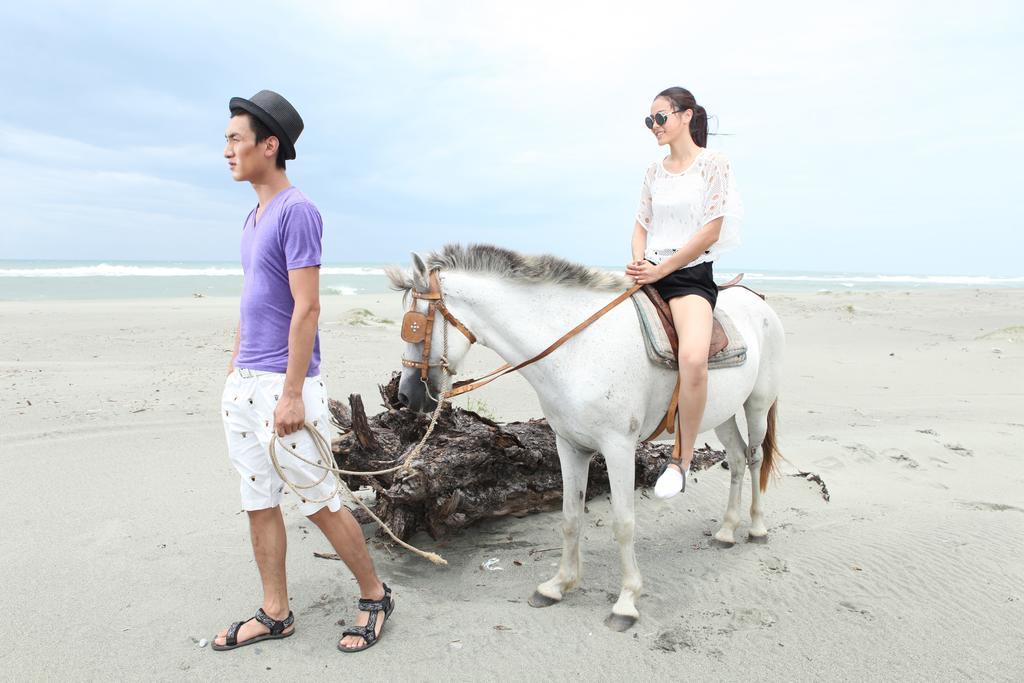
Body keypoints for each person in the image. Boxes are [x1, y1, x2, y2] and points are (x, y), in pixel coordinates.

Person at [213, 90, 393, 653]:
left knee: (319, 501)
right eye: (226, 140)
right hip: (246, 383)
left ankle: (375, 594)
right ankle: (275, 611)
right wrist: (236, 359)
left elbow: (307, 306)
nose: (227, 150)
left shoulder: (298, 211)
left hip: (285, 387)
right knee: (258, 500)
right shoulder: (254, 214)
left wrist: (291, 393)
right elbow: (255, 296)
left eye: (235, 139)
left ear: (270, 145)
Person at [625, 87, 743, 500]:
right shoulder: (654, 171)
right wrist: (641, 264)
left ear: (685, 116)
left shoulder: (714, 164)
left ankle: (682, 459)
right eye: (649, 121)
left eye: (660, 118)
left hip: (689, 276)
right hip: (650, 271)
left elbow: (710, 229)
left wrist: (662, 269)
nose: (653, 127)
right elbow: (641, 224)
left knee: (692, 358)